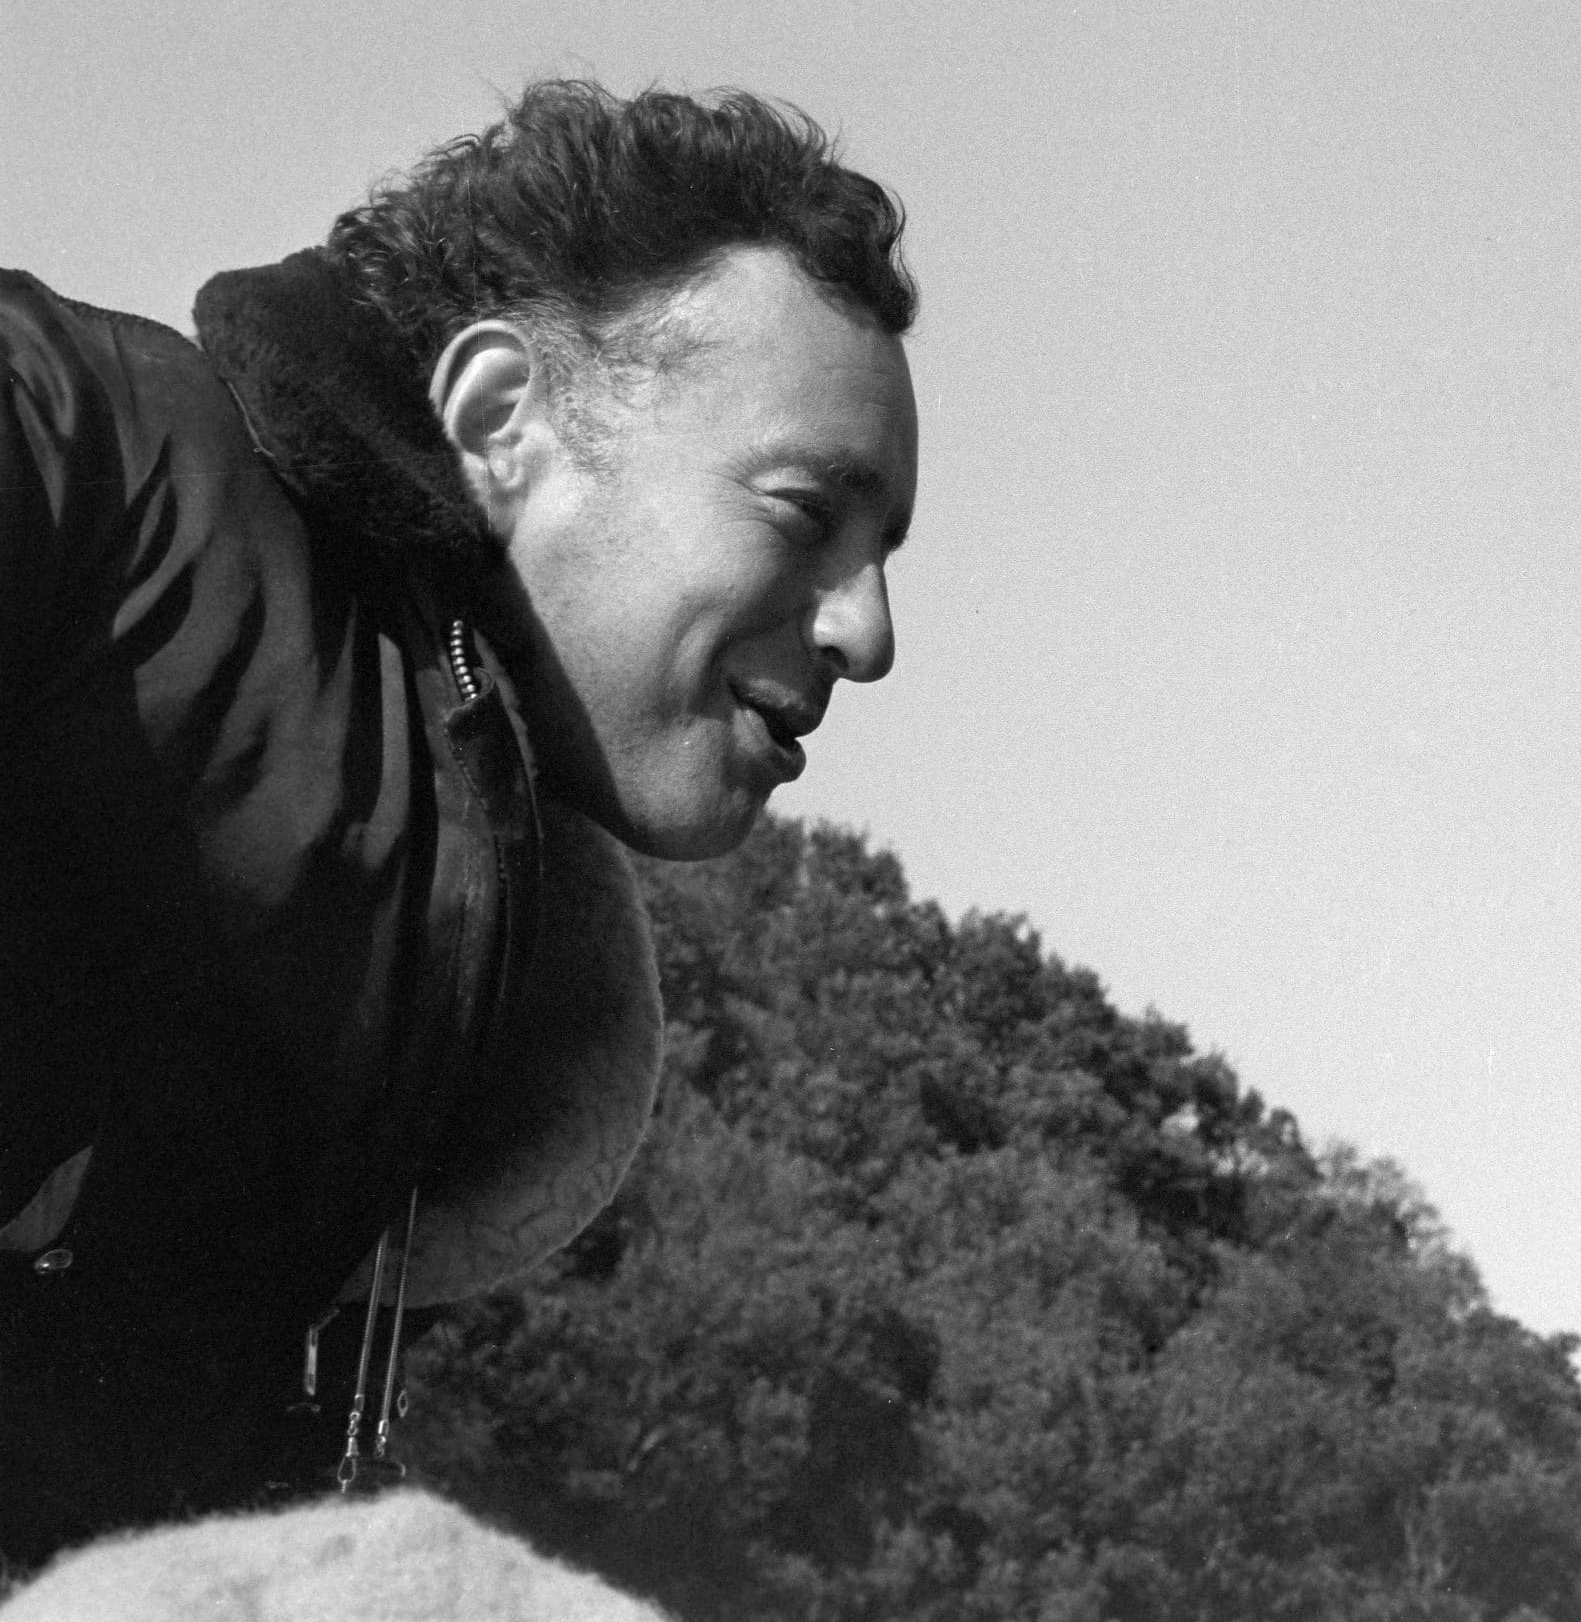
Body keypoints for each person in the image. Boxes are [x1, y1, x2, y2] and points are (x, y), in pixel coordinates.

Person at [0, 81, 922, 1567]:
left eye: (883, 555)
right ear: (502, 421)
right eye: (808, 511)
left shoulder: (478, 854)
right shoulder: (98, 452)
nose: (869, 632)